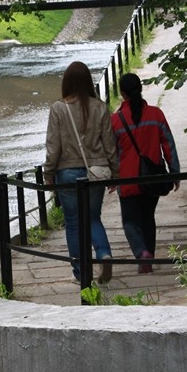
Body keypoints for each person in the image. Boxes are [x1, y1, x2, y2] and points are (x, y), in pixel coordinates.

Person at [43, 61, 119, 284]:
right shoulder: (100, 107)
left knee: (74, 223)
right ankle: (104, 253)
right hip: (97, 171)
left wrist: (48, 172)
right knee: (93, 217)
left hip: (66, 172)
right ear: (87, 81)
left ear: (66, 82)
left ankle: (80, 272)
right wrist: (115, 172)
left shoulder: (58, 108)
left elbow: (53, 145)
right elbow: (109, 144)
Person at [110, 73, 180, 273]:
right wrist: (174, 173)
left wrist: (113, 178)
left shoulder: (115, 121)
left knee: (130, 221)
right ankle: (148, 258)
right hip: (153, 179)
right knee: (148, 217)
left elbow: (112, 153)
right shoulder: (156, 114)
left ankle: (142, 254)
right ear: (139, 89)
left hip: (128, 180)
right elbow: (169, 144)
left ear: (122, 93)